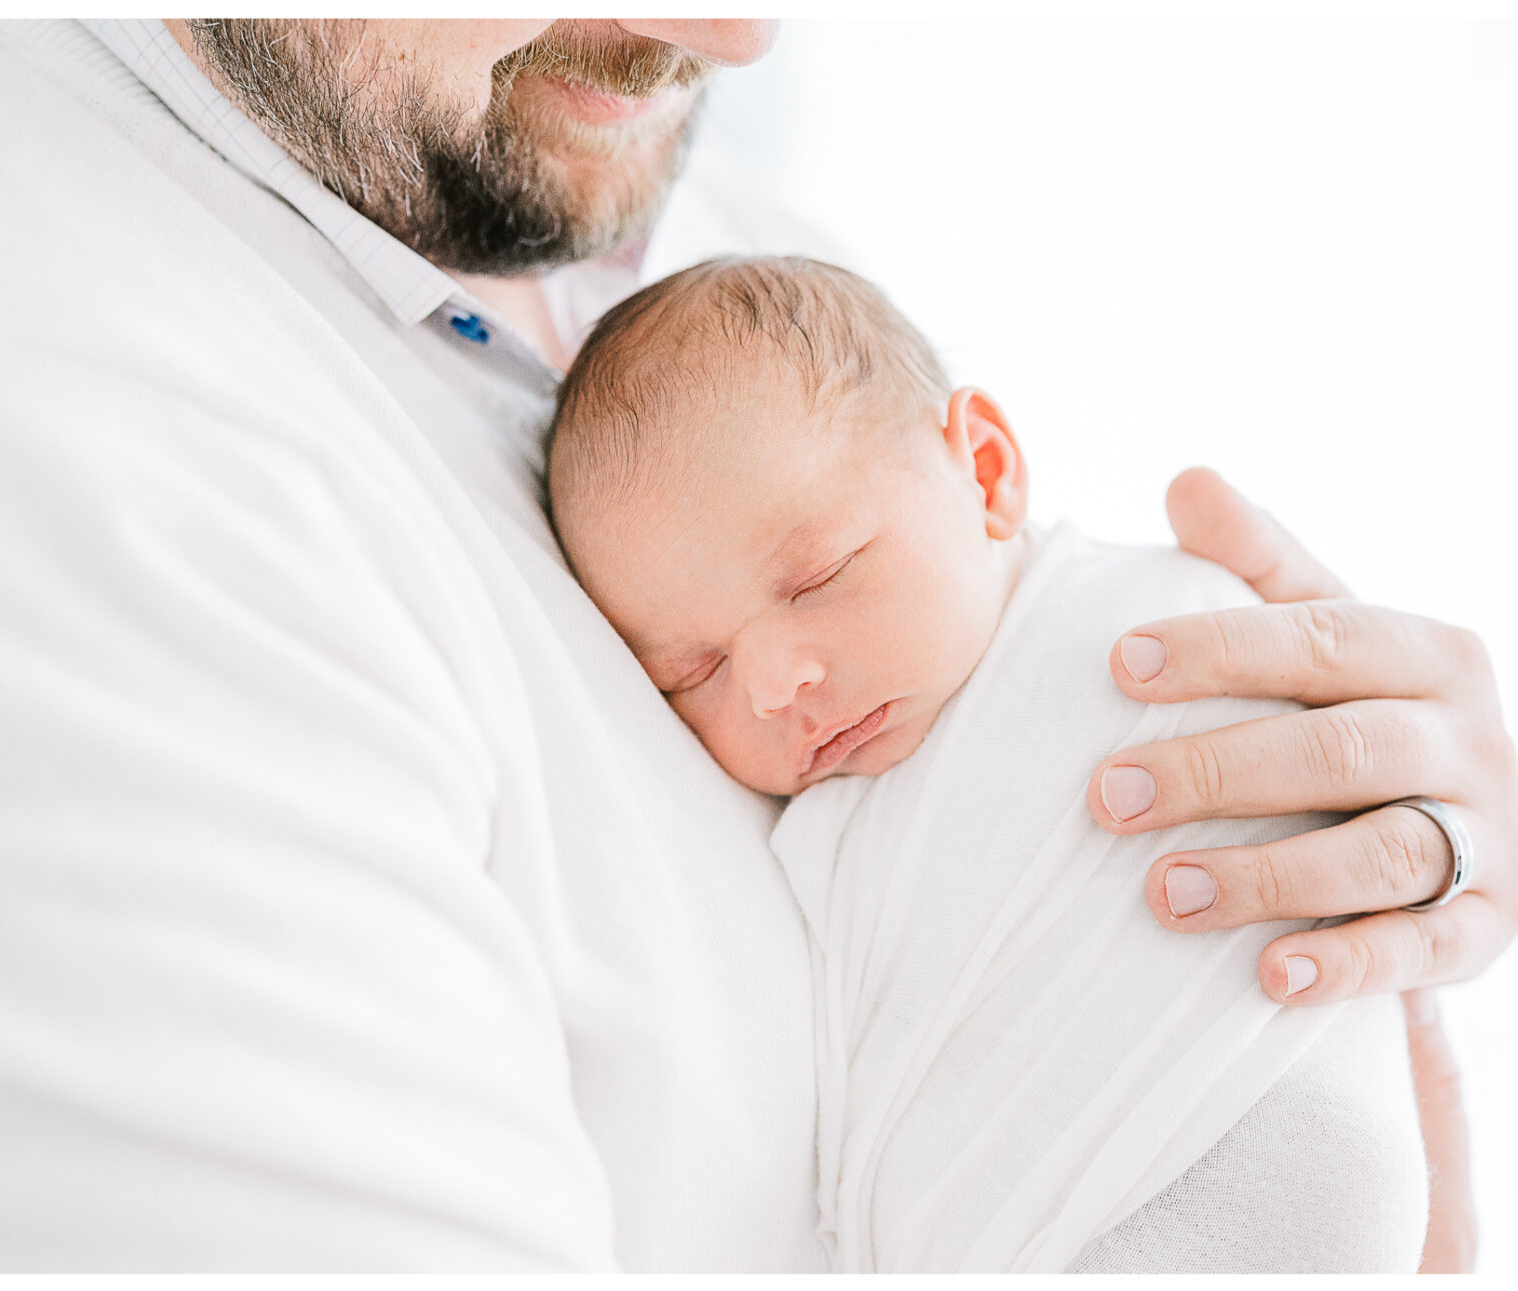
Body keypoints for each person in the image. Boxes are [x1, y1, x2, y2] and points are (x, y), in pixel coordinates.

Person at [0, 18, 1518, 1271]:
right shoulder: (71, 459)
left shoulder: (650, 202)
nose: (733, 34)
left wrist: (1353, 842)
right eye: (680, 671)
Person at [551, 255, 1432, 1272]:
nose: (772, 684)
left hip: (1272, 1120)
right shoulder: (824, 840)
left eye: (819, 577)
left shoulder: (1157, 631)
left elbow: (1357, 803)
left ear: (983, 471)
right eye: (690, 671)